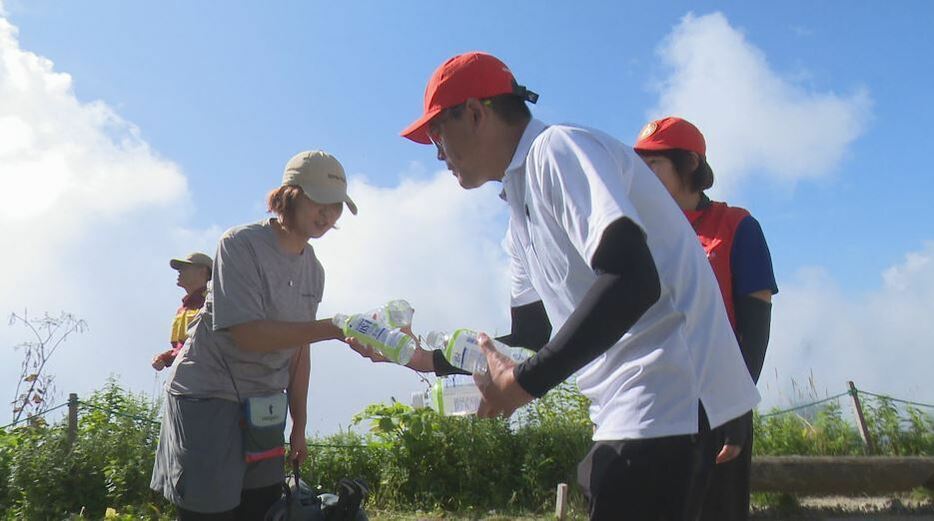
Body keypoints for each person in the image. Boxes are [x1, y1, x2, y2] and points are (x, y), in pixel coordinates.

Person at [351, 51, 760, 521]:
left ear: (477, 113)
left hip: (673, 400)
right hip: (633, 411)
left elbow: (633, 278)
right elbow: (531, 337)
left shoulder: (558, 151)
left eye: (437, 133)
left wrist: (523, 384)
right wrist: (420, 357)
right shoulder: (517, 212)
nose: (437, 152)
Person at [150, 150, 357, 520]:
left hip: (263, 404)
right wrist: (333, 328)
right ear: (290, 195)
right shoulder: (240, 245)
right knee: (211, 512)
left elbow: (298, 351)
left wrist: (300, 426)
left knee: (263, 509)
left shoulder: (315, 271)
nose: (328, 215)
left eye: (337, 206)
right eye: (319, 201)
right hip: (209, 397)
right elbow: (247, 334)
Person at [634, 117, 778, 521]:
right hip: (653, 398)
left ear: (690, 163)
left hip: (714, 398)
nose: (642, 177)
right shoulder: (643, 234)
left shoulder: (738, 226)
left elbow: (755, 329)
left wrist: (737, 407)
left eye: (653, 165)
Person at [152, 252, 213, 371]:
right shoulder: (182, 309)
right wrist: (165, 358)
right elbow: (182, 348)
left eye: (185, 267)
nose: (180, 271)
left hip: (207, 375)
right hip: (186, 375)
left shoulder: (213, 302)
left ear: (203, 271)